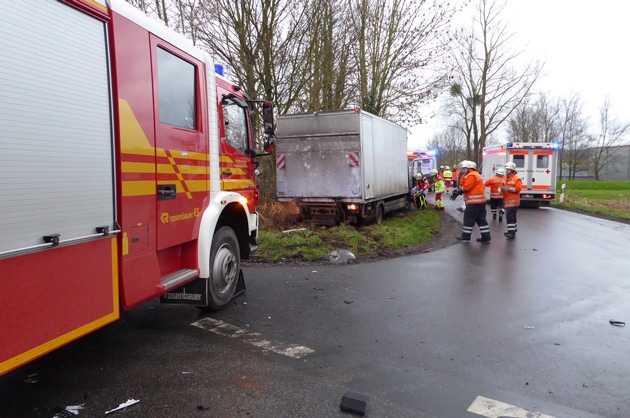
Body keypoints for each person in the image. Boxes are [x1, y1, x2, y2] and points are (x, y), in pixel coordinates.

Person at [451, 160, 491, 242]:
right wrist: (460, 189)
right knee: (481, 220)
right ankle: (486, 236)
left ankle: (466, 235)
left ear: (470, 168)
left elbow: (467, 187)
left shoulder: (471, 175)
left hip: (474, 202)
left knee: (468, 219)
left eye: (465, 169)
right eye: (463, 169)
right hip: (480, 202)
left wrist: (459, 191)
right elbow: (463, 184)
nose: (463, 170)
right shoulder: (474, 174)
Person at [501, 162, 522, 239]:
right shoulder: (506, 178)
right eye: (506, 169)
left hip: (513, 202)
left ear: (512, 170)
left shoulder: (516, 178)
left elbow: (518, 189)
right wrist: (500, 189)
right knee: (511, 217)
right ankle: (513, 230)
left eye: (508, 169)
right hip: (507, 201)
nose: (506, 170)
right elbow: (502, 186)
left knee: (510, 217)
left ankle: (511, 233)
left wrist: (509, 189)